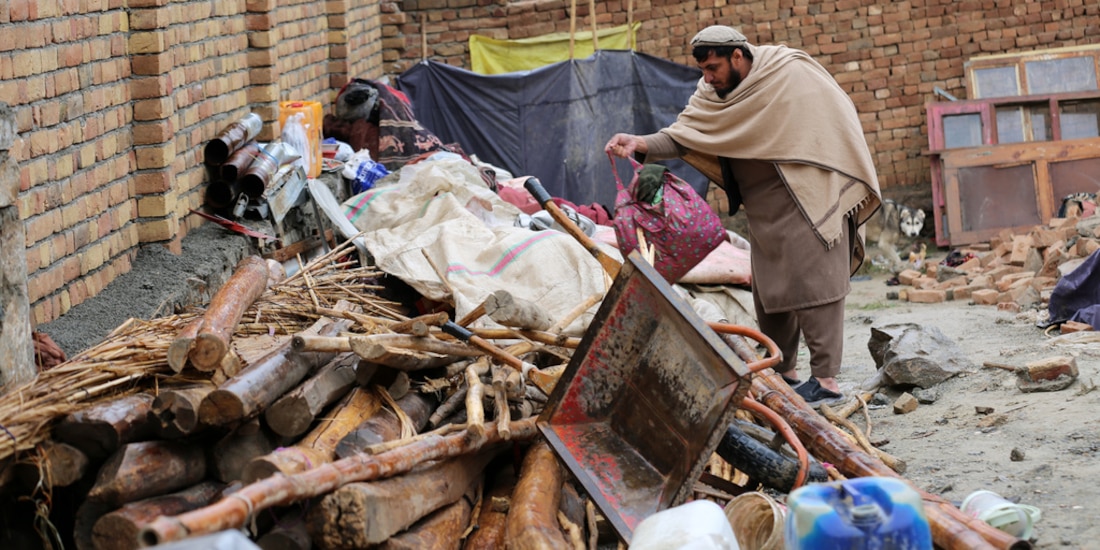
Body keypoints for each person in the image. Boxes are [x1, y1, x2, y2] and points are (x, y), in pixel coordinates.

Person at [605, 25, 882, 407]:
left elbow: (833, 121)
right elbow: (685, 135)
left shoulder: (788, 72)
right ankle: (786, 374)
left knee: (816, 287)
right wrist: (640, 143)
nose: (708, 77)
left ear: (738, 56)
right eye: (703, 69)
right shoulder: (712, 94)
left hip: (807, 196)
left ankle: (827, 381)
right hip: (763, 207)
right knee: (771, 291)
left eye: (714, 67)